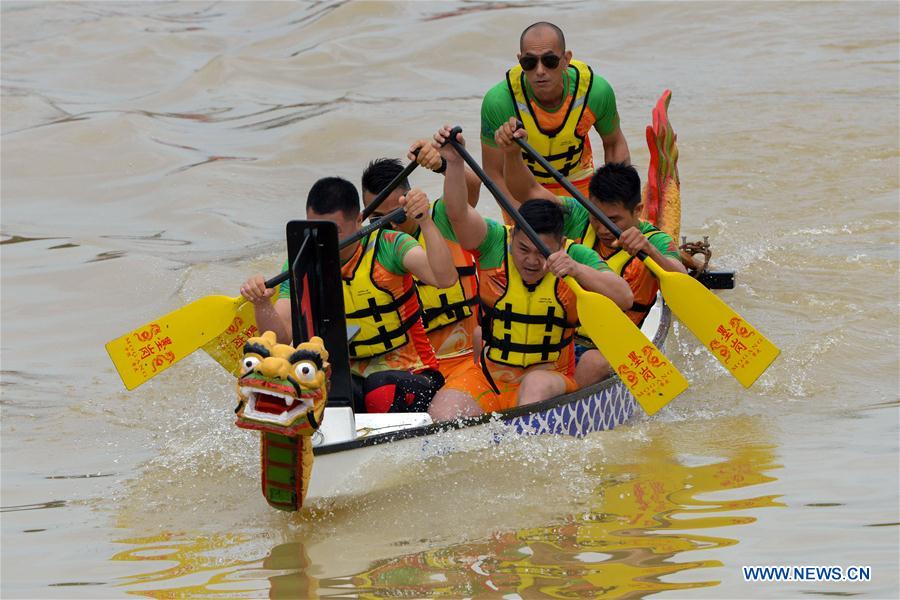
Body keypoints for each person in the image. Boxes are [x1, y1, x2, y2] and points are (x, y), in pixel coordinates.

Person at [426, 125, 633, 421]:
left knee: (534, 386)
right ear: (513, 236)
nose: (532, 262)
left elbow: (624, 296)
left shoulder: (574, 254)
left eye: (542, 253)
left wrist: (576, 270)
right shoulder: (495, 241)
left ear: (560, 244)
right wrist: (454, 162)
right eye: (524, 250)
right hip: (489, 377)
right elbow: (458, 213)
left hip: (549, 376)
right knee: (442, 412)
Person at [239, 176, 458, 413]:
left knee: (380, 389)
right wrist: (261, 303)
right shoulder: (301, 263)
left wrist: (425, 221)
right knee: (312, 387)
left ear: (359, 220)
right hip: (350, 378)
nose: (323, 239)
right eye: (316, 229)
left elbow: (445, 278)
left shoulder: (389, 246)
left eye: (334, 230)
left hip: (413, 373)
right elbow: (280, 339)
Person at [494, 120, 686, 387]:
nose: (603, 227)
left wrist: (650, 251)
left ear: (638, 210)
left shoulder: (657, 241)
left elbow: (683, 282)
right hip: (564, 339)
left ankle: (566, 409)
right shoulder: (578, 215)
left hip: (613, 345)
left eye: (614, 220)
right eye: (597, 217)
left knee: (594, 362)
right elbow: (527, 191)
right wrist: (512, 153)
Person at [360, 142, 483, 389]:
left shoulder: (446, 218)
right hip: (417, 370)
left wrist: (443, 165)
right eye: (378, 219)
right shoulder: (369, 248)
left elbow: (472, 185)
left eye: (397, 215)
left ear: (409, 200)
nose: (391, 226)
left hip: (468, 359)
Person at [480, 21, 630, 216]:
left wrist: (616, 203)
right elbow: (494, 173)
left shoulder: (595, 92)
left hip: (578, 181)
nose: (540, 71)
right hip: (523, 187)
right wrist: (522, 218)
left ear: (566, 59)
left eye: (550, 61)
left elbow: (614, 143)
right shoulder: (499, 102)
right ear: (520, 61)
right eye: (529, 62)